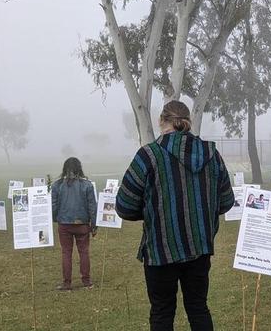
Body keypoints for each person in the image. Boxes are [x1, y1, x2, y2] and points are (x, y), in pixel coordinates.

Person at [116, 100, 235, 331]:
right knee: (199, 308)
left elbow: (125, 204)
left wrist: (154, 211)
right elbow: (226, 201)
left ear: (162, 121)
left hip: (161, 250)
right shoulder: (212, 155)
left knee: (162, 313)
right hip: (200, 248)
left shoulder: (148, 156)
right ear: (187, 122)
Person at [51, 157, 97, 291]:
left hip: (64, 224)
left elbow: (53, 206)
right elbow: (92, 207)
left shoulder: (57, 185)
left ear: (65, 168)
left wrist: (56, 218)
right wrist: (94, 225)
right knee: (84, 252)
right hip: (82, 224)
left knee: (66, 253)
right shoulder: (87, 185)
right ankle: (86, 281)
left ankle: (67, 283)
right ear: (79, 168)